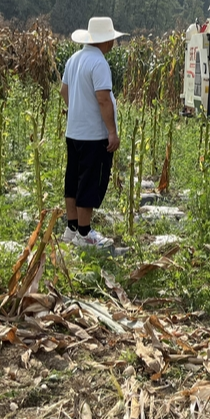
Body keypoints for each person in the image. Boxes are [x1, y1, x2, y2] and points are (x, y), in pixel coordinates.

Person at [60, 17, 125, 248]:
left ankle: (72, 228)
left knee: (73, 180)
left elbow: (64, 91)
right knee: (88, 181)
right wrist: (112, 132)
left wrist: (77, 110)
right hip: (92, 136)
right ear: (106, 41)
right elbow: (103, 99)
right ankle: (85, 234)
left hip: (74, 132)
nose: (114, 44)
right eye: (113, 40)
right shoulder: (99, 63)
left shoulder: (73, 59)